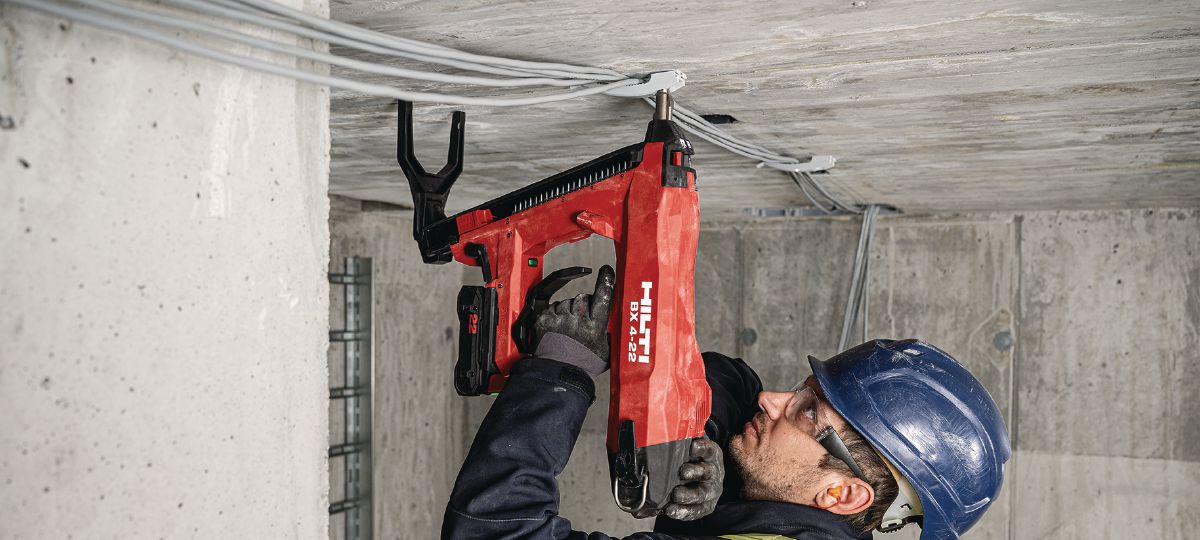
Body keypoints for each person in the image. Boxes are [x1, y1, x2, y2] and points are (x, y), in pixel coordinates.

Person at [442, 266, 1010, 539]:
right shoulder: (791, 515)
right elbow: (730, 378)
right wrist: (702, 441)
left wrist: (560, 370)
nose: (772, 399)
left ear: (841, 492)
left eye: (808, 414)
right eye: (803, 393)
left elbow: (494, 532)